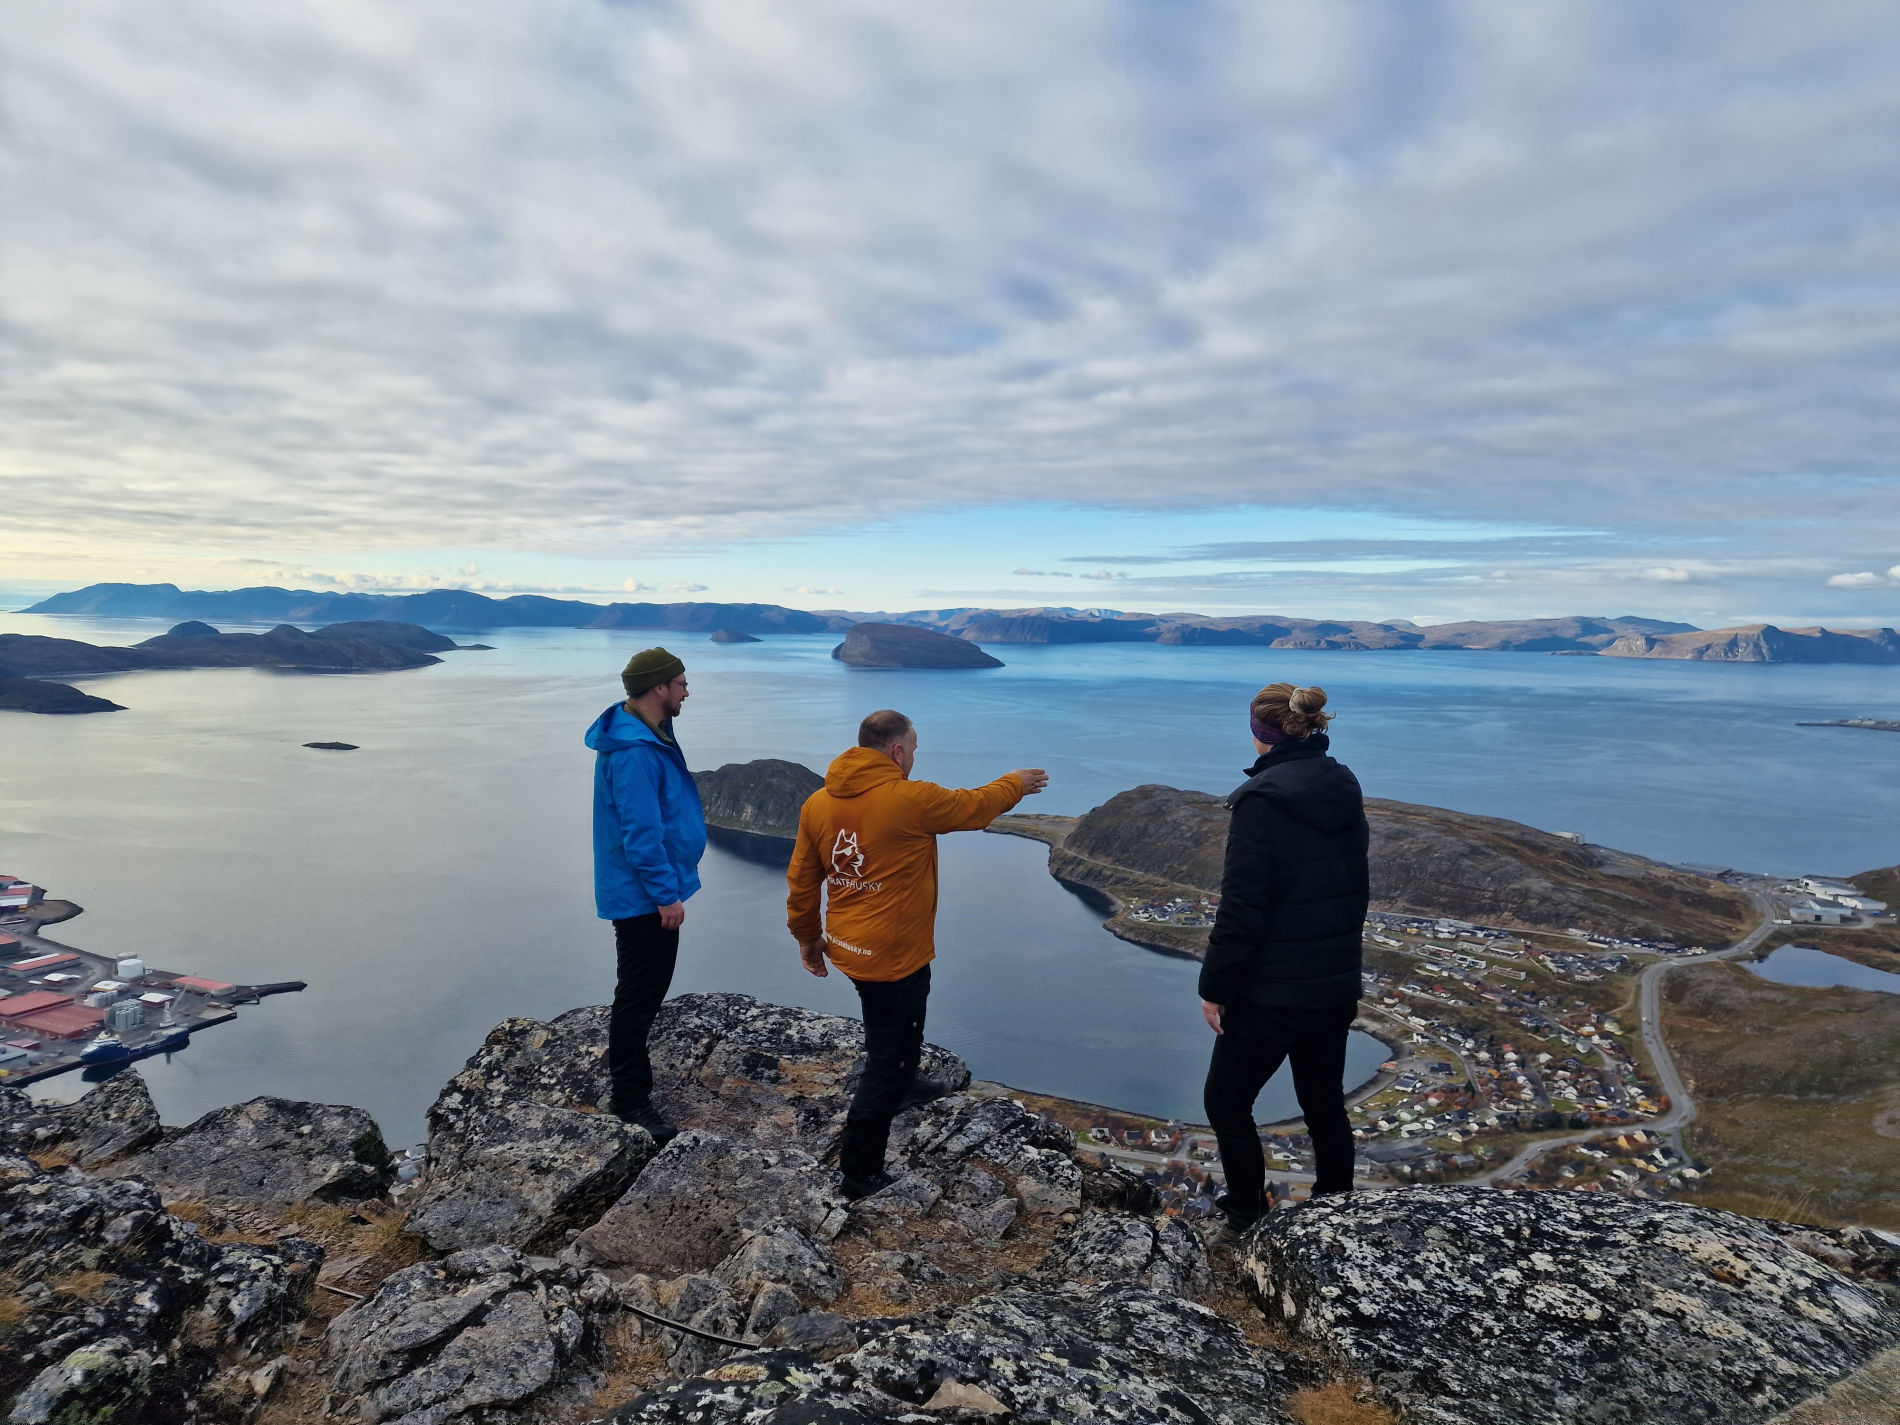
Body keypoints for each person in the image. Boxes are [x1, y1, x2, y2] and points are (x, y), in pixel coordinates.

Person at [787, 709, 1048, 1197]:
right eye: (914, 749)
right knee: (885, 1059)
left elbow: (803, 879)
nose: (913, 758)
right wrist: (1015, 781)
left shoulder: (819, 802)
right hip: (892, 953)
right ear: (899, 750)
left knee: (897, 1030)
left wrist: (808, 937)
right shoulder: (909, 798)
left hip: (849, 944)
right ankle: (858, 1171)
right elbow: (974, 806)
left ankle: (905, 1084)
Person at [1198, 683, 1369, 1232]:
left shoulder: (1262, 800)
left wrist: (1215, 986)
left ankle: (1246, 1214)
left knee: (1226, 1103)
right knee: (1323, 1105)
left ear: (1259, 733)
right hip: (1334, 985)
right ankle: (1332, 1215)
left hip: (1271, 991)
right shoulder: (1342, 784)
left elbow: (1243, 906)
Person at [584, 647, 708, 1145]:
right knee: (638, 996)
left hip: (645, 890)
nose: (686, 690)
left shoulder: (645, 733)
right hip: (643, 897)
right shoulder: (636, 751)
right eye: (680, 683)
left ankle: (630, 1089)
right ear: (659, 688)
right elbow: (640, 832)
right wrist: (665, 896)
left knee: (641, 992)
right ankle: (631, 1101)